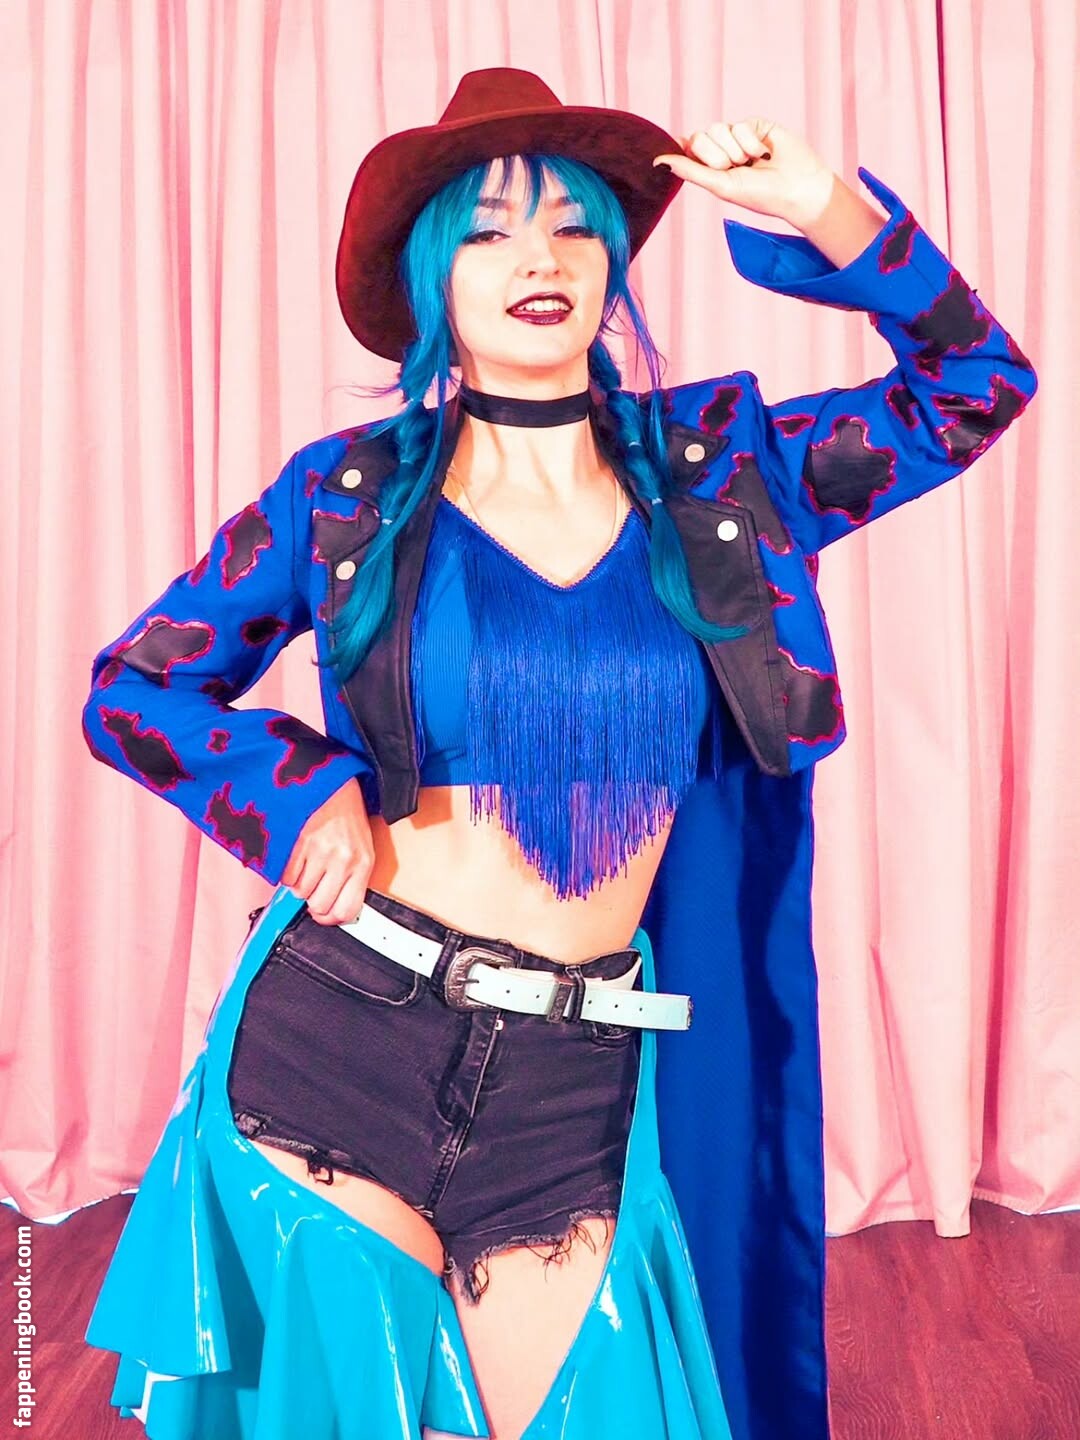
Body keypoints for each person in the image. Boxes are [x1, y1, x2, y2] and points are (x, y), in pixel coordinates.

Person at [80, 66, 1037, 1440]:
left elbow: (975, 387)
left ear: (613, 269)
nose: (539, 257)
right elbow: (136, 689)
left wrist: (824, 206)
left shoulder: (726, 473)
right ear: (433, 285)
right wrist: (298, 793)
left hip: (576, 1072)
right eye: (487, 233)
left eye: (574, 226)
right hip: (340, 1036)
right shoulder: (345, 496)